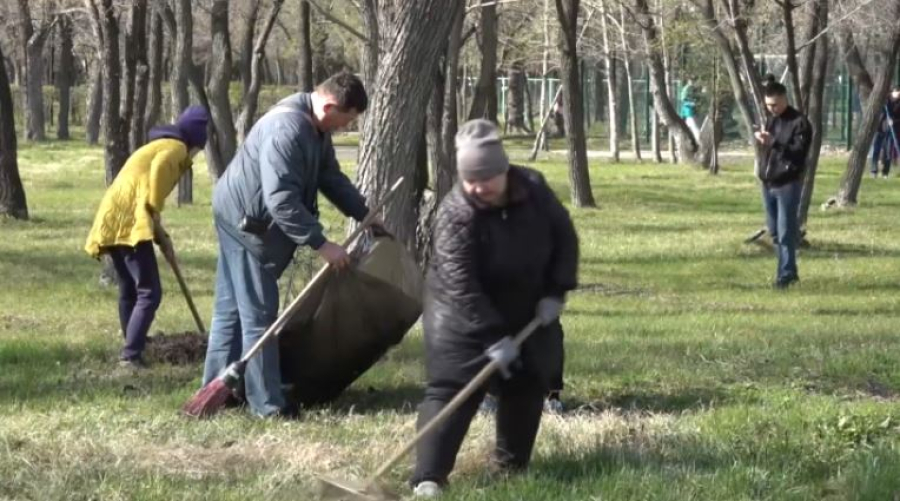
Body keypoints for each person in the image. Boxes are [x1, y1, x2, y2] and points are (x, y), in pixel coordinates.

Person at [410, 119, 579, 497]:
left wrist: (557, 290)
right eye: (470, 180)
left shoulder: (534, 189)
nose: (477, 187)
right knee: (453, 388)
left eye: (485, 179)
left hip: (526, 305)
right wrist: (492, 336)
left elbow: (564, 237)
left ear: (503, 171)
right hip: (458, 315)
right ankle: (429, 477)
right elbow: (461, 286)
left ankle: (510, 466)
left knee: (529, 378)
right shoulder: (456, 214)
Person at [200, 71, 378, 418]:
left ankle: (219, 390)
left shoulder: (315, 126)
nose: (345, 127)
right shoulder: (288, 130)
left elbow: (330, 177)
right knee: (259, 315)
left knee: (232, 310)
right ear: (329, 106)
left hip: (238, 212)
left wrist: (366, 213)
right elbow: (280, 199)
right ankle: (267, 404)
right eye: (346, 119)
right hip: (246, 225)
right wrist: (321, 244)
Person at [85, 106, 210, 369]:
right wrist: (154, 210)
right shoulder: (174, 148)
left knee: (129, 289)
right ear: (195, 138)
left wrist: (161, 234)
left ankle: (133, 343)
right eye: (198, 147)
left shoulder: (161, 144)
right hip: (132, 221)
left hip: (114, 218)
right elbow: (158, 174)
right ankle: (131, 355)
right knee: (150, 292)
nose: (195, 154)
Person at [754, 75, 812, 289]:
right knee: (774, 231)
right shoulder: (771, 119)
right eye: (768, 105)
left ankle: (785, 276)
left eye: (775, 104)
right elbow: (770, 151)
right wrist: (763, 142)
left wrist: (775, 143)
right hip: (768, 182)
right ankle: (789, 272)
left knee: (786, 231)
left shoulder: (800, 123)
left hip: (788, 183)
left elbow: (798, 154)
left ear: (784, 99)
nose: (772, 109)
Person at [870, 86, 900, 178]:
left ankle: (885, 172)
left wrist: (893, 121)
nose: (898, 95)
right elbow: (878, 113)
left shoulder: (898, 104)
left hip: (890, 130)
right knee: (876, 149)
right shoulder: (884, 101)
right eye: (897, 93)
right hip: (880, 128)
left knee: (888, 151)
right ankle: (874, 171)